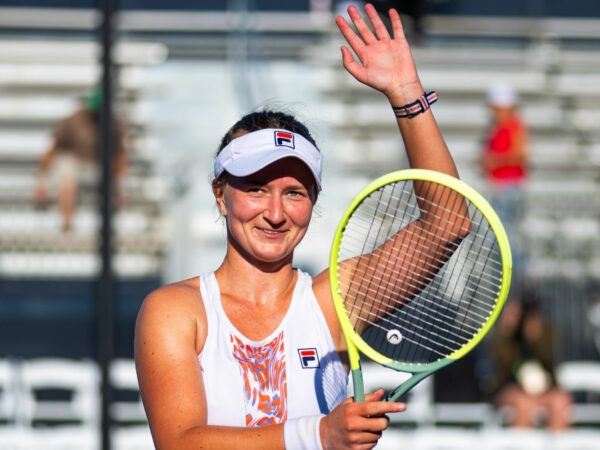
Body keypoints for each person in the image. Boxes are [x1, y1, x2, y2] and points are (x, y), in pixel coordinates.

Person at [135, 4, 467, 449]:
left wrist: (407, 93)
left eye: (295, 192)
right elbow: (179, 442)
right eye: (256, 188)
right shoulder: (175, 310)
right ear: (220, 194)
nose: (275, 212)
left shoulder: (332, 302)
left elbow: (449, 222)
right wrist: (318, 434)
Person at [33, 88, 127, 232]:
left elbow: (119, 156)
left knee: (110, 182)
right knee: (67, 183)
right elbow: (53, 149)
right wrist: (42, 182)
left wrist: (118, 186)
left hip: (98, 164)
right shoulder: (72, 121)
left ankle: (107, 229)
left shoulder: (114, 124)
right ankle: (67, 225)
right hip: (75, 161)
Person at [488, 294, 572, 430]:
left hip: (544, 391)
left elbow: (549, 359)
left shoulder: (547, 334)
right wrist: (507, 329)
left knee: (560, 401)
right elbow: (502, 361)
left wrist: (537, 338)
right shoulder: (510, 338)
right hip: (513, 390)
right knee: (524, 404)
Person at [479, 81, 529, 286]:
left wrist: (493, 160)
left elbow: (520, 155)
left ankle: (518, 287)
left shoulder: (513, 126)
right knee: (501, 242)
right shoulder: (501, 127)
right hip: (501, 188)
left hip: (507, 188)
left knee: (506, 242)